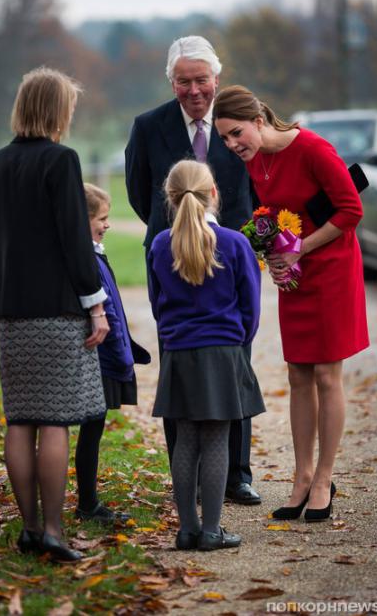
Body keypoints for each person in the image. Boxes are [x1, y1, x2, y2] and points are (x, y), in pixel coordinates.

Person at [214, 85, 369, 522]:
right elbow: (272, 218)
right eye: (225, 138)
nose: (232, 145)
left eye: (236, 133)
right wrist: (275, 258)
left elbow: (350, 211)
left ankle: (323, 478)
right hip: (297, 274)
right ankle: (300, 477)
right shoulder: (257, 161)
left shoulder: (315, 150)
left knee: (326, 373)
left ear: (259, 121)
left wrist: (299, 248)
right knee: (298, 372)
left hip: (333, 268)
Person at [0, 67, 110, 562]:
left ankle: (30, 529)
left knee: (20, 419)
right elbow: (76, 244)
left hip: (12, 311)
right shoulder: (61, 160)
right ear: (57, 110)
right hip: (57, 311)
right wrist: (95, 305)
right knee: (53, 421)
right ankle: (54, 530)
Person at [125, 35, 262, 505]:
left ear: (216, 80)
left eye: (201, 80)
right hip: (174, 258)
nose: (194, 90)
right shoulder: (148, 127)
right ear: (172, 82)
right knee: (178, 362)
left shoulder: (237, 125)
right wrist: (181, 239)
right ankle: (187, 474)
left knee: (234, 360)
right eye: (183, 81)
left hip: (233, 257)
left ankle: (235, 475)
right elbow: (139, 194)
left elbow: (258, 187)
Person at [148, 160, 264, 550]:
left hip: (179, 353)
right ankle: (212, 531)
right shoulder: (234, 243)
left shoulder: (161, 244)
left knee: (185, 440)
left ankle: (187, 529)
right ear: (214, 194)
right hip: (222, 351)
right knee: (216, 441)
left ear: (171, 197)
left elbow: (156, 303)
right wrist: (235, 342)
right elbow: (251, 307)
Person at [75, 183, 150, 524]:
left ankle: (88, 501)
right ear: (82, 218)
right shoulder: (85, 259)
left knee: (95, 428)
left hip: (107, 356)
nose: (106, 224)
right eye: (101, 218)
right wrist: (120, 357)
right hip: (99, 358)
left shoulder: (94, 252)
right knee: (92, 428)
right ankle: (87, 504)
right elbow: (109, 314)